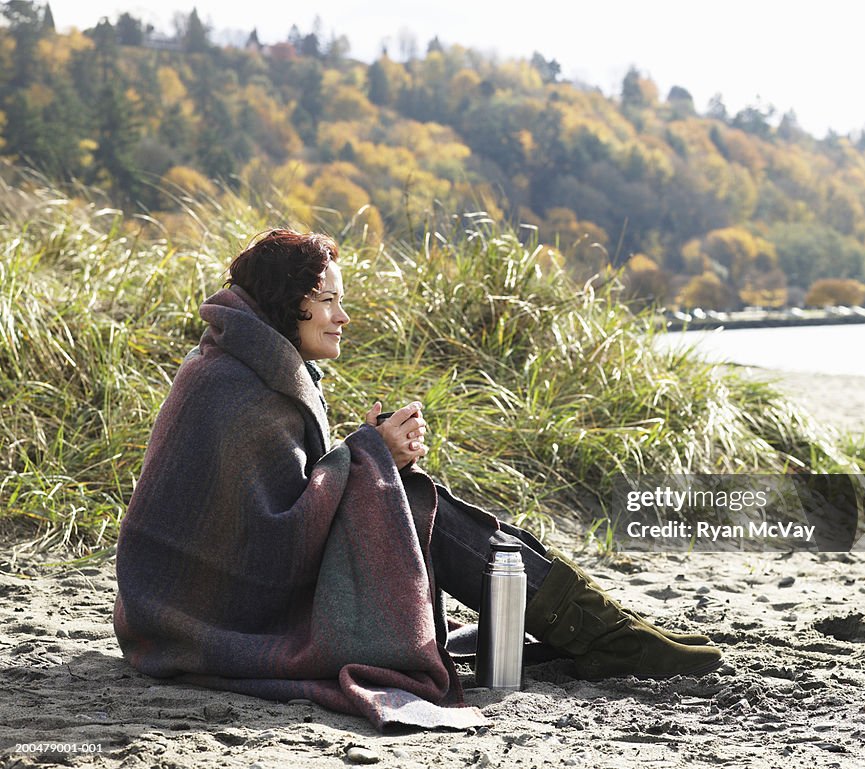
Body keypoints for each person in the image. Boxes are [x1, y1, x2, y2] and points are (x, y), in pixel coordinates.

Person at [113, 229, 722, 730]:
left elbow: (286, 503)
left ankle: (606, 629)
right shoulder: (233, 386)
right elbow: (271, 545)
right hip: (210, 613)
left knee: (409, 491)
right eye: (327, 300)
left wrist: (371, 456)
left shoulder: (247, 365)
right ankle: (606, 637)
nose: (342, 316)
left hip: (188, 608)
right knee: (416, 498)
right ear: (283, 302)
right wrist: (370, 455)